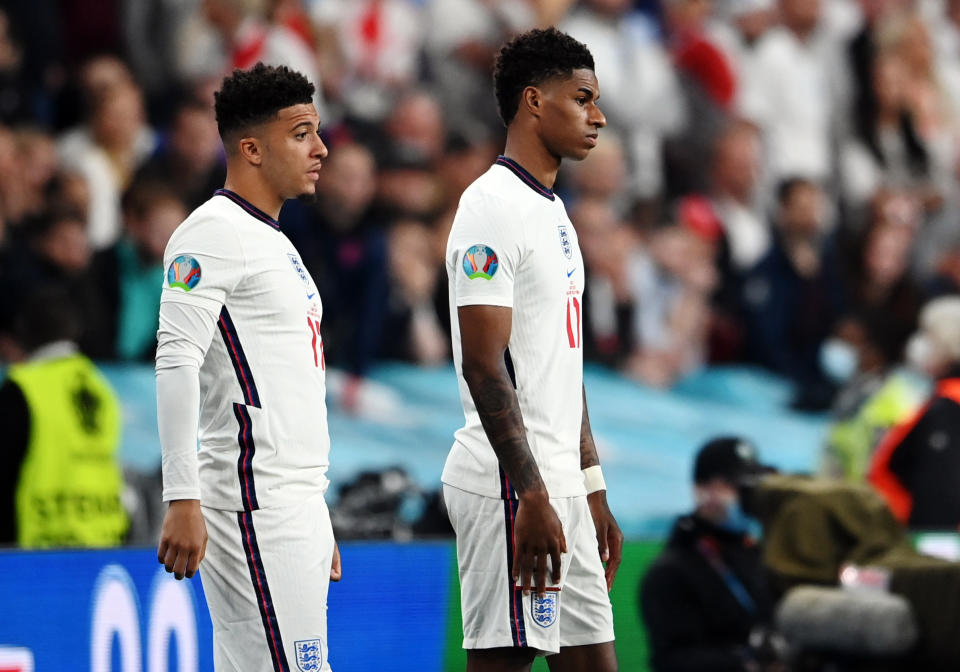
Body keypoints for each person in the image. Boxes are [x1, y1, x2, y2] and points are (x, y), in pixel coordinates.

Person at [442, 28, 621, 672]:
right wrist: (534, 494)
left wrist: (590, 487)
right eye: (583, 98)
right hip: (510, 489)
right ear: (533, 102)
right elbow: (484, 364)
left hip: (561, 487)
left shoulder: (553, 210)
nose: (598, 115)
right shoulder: (490, 208)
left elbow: (558, 369)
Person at [155, 63, 341, 672]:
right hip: (253, 502)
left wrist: (316, 507)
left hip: (294, 504)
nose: (321, 148)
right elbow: (176, 359)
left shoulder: (277, 241)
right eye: (302, 134)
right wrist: (182, 496)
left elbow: (288, 384)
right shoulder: (211, 232)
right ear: (252, 148)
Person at [0, 284, 128, 547]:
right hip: (103, 536)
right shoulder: (100, 386)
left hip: (35, 544)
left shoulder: (22, 387)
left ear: (22, 332)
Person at [640, 437, 781, 672]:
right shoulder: (671, 572)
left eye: (752, 485)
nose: (747, 496)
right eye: (735, 485)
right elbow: (673, 662)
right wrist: (749, 661)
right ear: (701, 490)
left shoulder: (758, 553)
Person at [869, 295, 960, 529]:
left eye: (928, 336)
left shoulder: (949, 409)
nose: (919, 344)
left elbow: (939, 497)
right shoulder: (941, 396)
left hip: (907, 538)